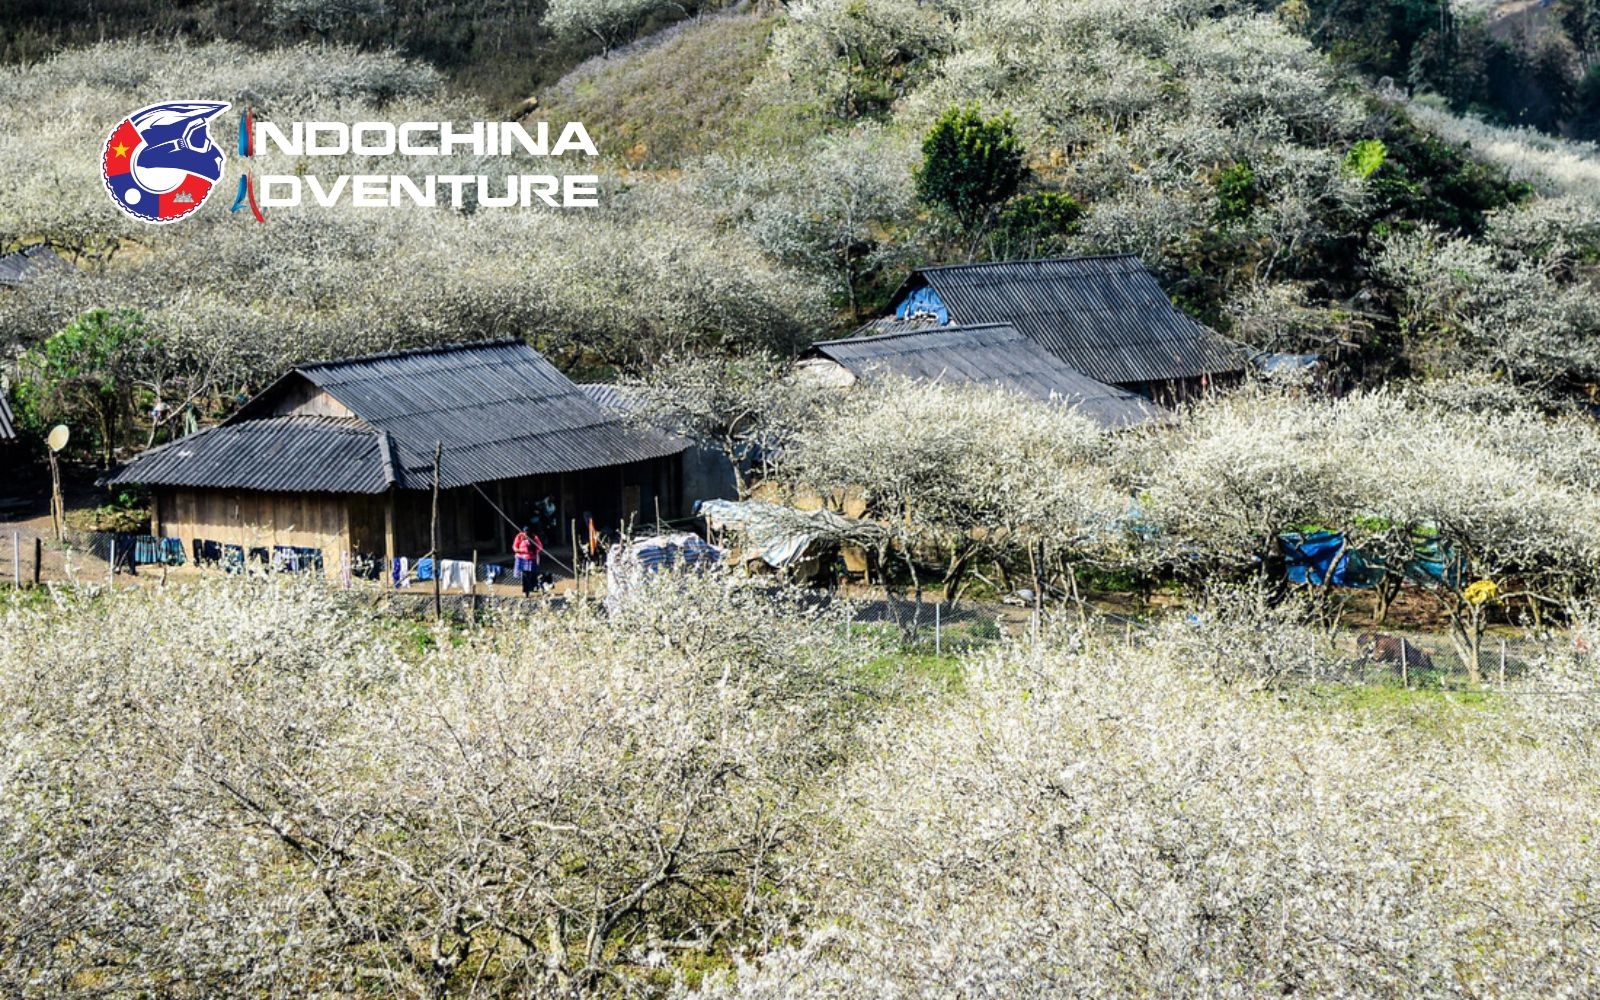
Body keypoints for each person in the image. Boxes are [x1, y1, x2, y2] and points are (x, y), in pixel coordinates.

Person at [513, 524, 543, 596]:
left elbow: (540, 547)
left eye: (528, 532)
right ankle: (526, 591)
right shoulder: (519, 536)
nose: (526, 533)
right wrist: (522, 550)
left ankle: (532, 588)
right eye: (525, 532)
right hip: (521, 558)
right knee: (525, 575)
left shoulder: (534, 537)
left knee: (531, 575)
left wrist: (533, 551)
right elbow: (515, 547)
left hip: (531, 558)